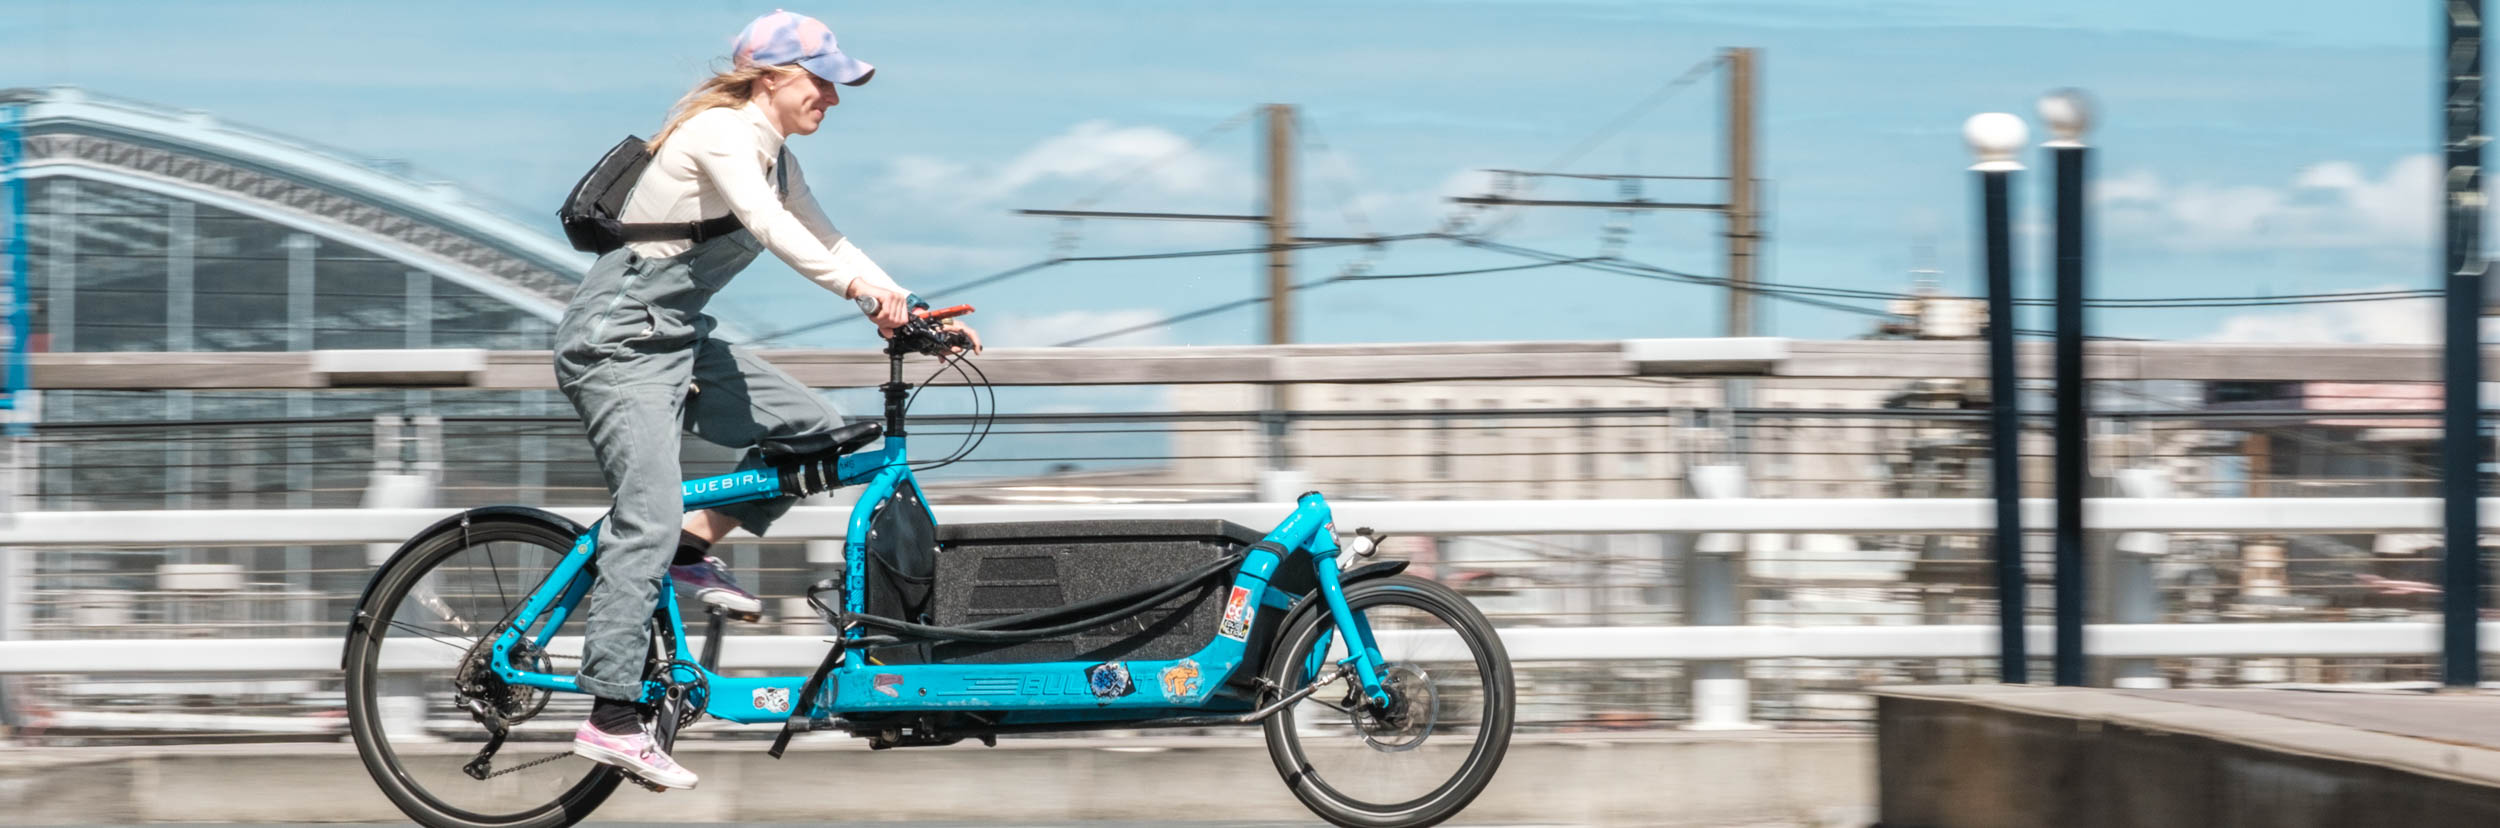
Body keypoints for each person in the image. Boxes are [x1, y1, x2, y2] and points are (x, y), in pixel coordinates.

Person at [555, 10, 979, 790]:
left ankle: (691, 547)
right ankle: (611, 715)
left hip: (678, 337)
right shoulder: (722, 132)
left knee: (820, 434)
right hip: (617, 343)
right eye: (823, 81)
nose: (834, 98)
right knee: (644, 514)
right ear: (772, 77)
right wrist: (859, 291)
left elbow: (826, 235)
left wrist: (908, 304)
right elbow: (770, 227)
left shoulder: (778, 157)